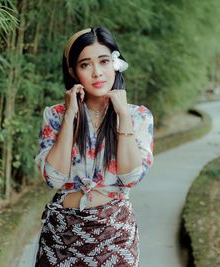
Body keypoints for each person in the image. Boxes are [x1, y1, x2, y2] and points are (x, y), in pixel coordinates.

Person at [34, 26, 154, 266]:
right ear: (73, 71)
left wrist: (122, 114)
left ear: (116, 64)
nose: (97, 72)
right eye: (86, 65)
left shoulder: (138, 116)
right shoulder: (56, 116)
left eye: (104, 61)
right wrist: (71, 115)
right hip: (62, 237)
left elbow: (130, 176)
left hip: (115, 237)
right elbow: (53, 178)